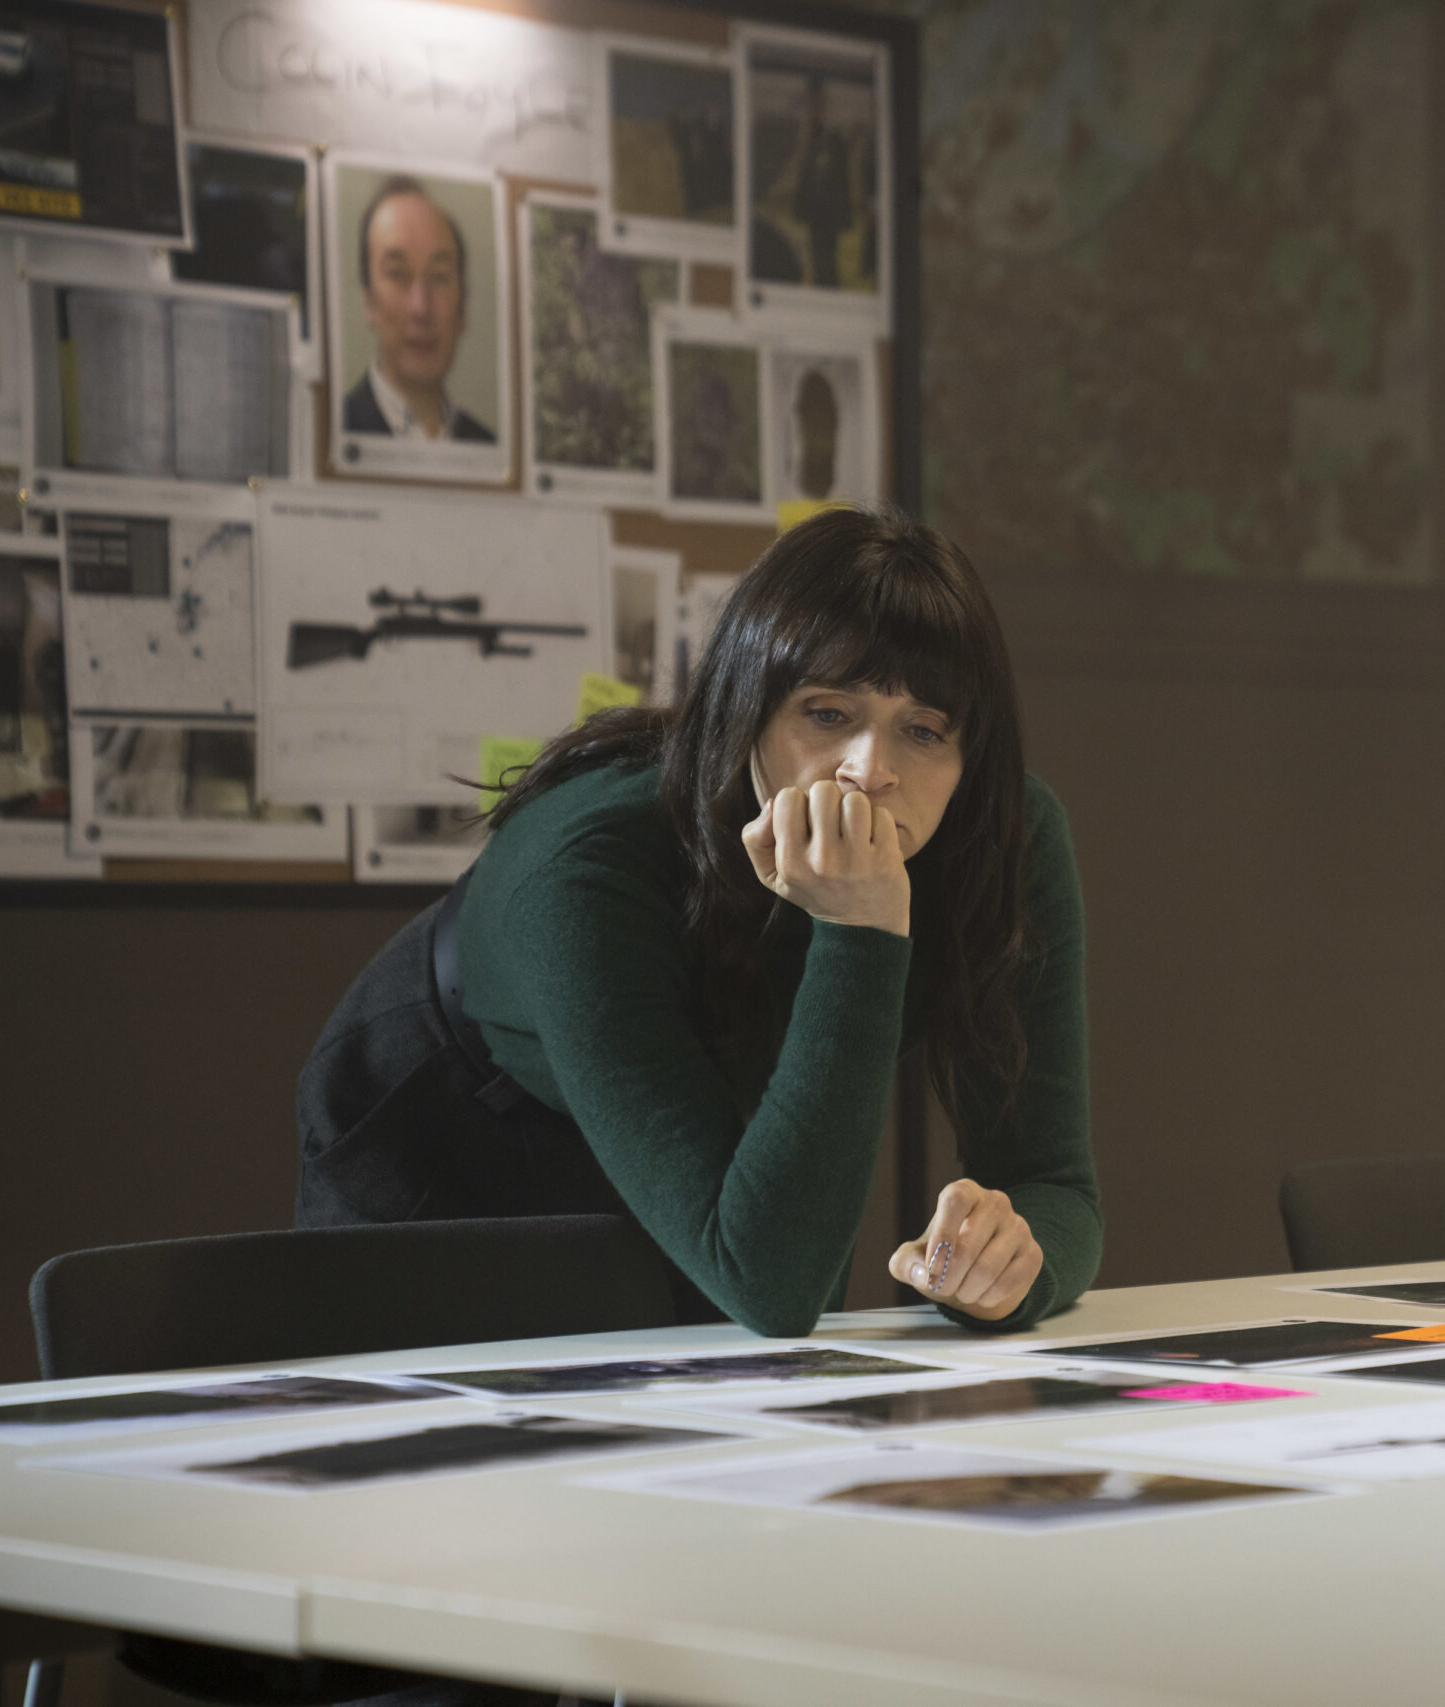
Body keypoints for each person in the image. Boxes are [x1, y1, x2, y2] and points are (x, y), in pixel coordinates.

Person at [295, 505, 1098, 1337]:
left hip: (728, 1156)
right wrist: (862, 927)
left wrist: (1014, 1261)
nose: (871, 771)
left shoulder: (1002, 838)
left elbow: (1054, 1184)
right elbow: (772, 1285)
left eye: (924, 730)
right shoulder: (584, 867)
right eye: (827, 714)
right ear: (746, 708)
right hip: (463, 1130)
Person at [341, 175, 497, 445]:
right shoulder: (333, 432)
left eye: (439, 277)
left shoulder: (488, 447)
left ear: (462, 308)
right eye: (398, 274)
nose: (420, 308)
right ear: (369, 301)